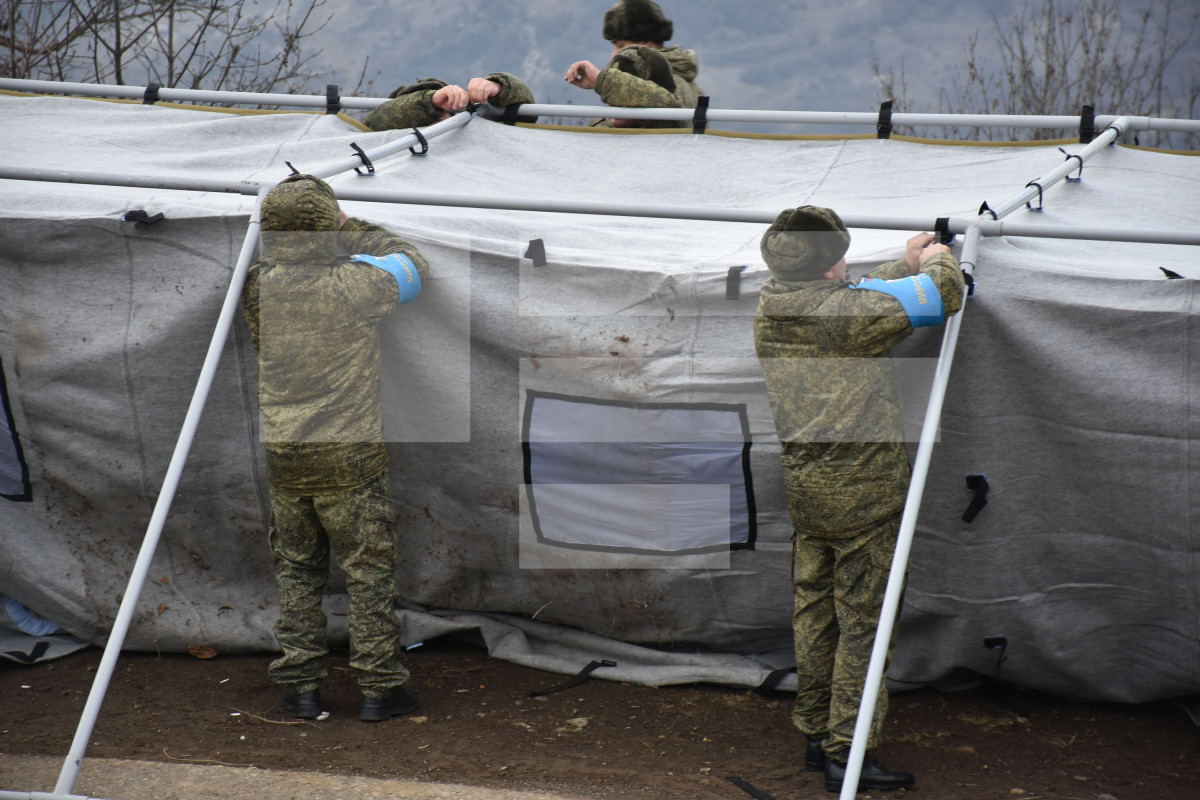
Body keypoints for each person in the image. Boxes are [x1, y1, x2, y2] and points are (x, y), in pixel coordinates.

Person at [753, 206, 965, 793]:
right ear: (827, 268)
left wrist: (905, 260)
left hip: (807, 491)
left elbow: (858, 289)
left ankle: (815, 734)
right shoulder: (848, 317)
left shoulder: (774, 300)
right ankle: (850, 753)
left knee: (814, 615)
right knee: (864, 627)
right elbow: (945, 294)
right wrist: (939, 258)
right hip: (865, 497)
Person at [240, 173, 430, 722]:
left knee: (297, 571)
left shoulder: (257, 283)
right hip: (350, 459)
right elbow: (412, 262)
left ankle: (300, 686)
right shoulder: (353, 285)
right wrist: (350, 229)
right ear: (326, 228)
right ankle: (379, 689)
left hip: (286, 456)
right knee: (368, 571)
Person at [598, 0, 702, 106]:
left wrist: (598, 80)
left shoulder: (664, 84)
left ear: (645, 45)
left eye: (620, 46)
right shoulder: (684, 81)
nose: (613, 54)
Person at [364, 72, 537, 131]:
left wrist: (500, 86)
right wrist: (430, 103)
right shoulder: (389, 143)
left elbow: (527, 115)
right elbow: (374, 124)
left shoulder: (472, 125)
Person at [563, 44, 682, 128]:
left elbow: (669, 105)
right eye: (611, 94)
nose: (613, 101)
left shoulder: (673, 130)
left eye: (624, 94)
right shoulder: (598, 132)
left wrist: (600, 79)